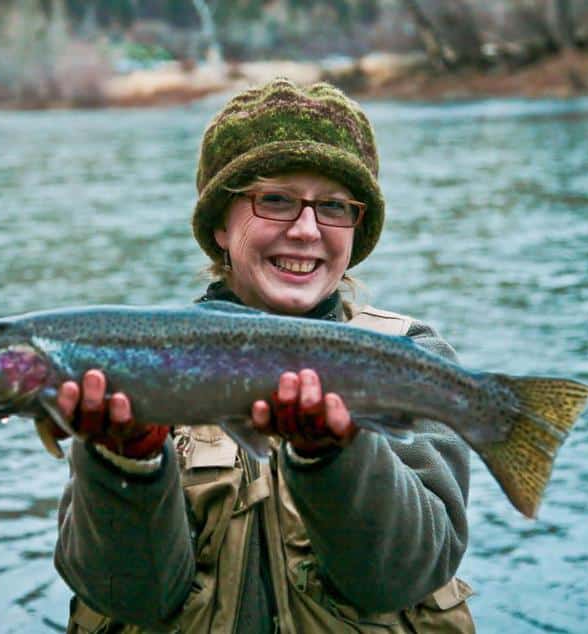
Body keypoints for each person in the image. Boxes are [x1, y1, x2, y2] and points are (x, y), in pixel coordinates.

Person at [49, 78, 475, 633]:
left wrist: (336, 456)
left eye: (334, 206)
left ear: (357, 227)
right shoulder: (143, 364)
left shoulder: (410, 358)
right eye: (274, 200)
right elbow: (131, 596)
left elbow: (400, 578)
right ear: (221, 225)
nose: (305, 229)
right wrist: (126, 463)